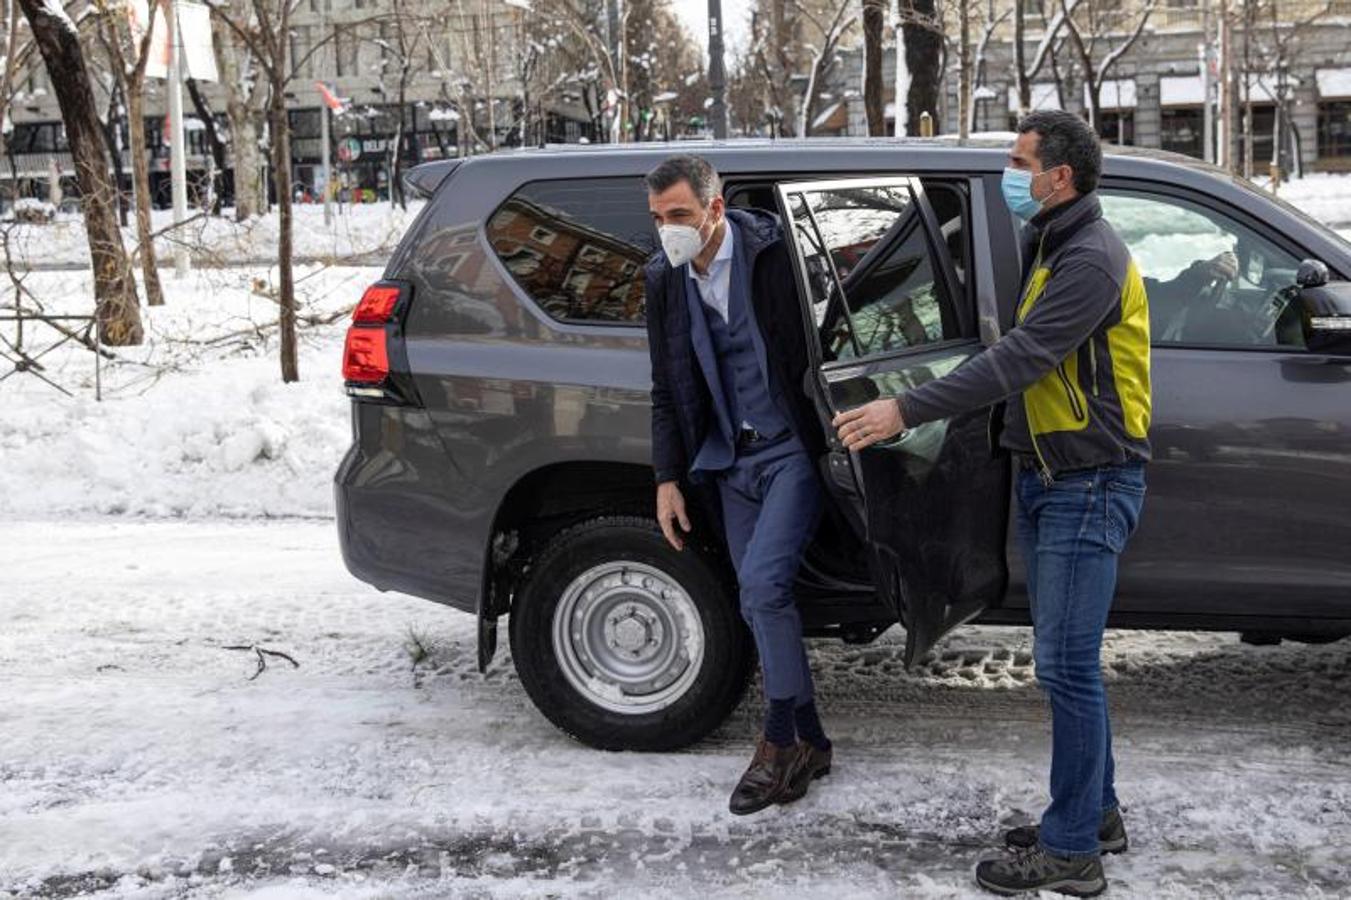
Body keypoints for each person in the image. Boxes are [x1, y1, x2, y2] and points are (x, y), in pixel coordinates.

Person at [834, 110, 1151, 897]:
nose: (1011, 173)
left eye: (1019, 162)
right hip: (1058, 478)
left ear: (1059, 176)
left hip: (1089, 481)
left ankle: (1072, 851)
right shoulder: (1059, 243)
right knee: (1070, 667)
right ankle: (1094, 815)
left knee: (1067, 670)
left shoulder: (1089, 257)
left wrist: (905, 409)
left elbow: (1023, 355)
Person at [643, 154, 833, 815]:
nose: (668, 230)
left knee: (762, 585)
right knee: (759, 604)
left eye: (680, 217)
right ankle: (812, 738)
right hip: (730, 461)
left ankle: (777, 743)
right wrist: (667, 477)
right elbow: (666, 388)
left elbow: (825, 344)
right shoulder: (662, 279)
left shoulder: (775, 255)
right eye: (658, 219)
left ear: (714, 210)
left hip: (790, 452)